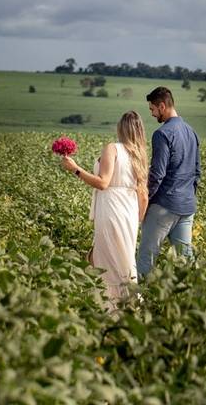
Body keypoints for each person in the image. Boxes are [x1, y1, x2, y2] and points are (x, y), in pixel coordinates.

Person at [60, 111, 149, 313]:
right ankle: (128, 305)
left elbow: (103, 183)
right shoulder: (140, 154)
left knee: (108, 258)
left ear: (121, 128)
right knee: (124, 258)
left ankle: (111, 307)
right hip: (129, 210)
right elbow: (144, 194)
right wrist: (138, 220)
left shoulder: (113, 148)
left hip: (112, 208)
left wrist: (75, 169)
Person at [136, 86, 200, 280]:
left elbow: (157, 174)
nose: (153, 114)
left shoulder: (162, 134)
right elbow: (197, 172)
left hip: (163, 206)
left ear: (162, 106)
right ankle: (190, 298)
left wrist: (146, 199)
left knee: (146, 257)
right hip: (187, 206)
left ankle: (138, 302)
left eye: (153, 109)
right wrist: (188, 196)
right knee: (185, 260)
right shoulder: (191, 132)